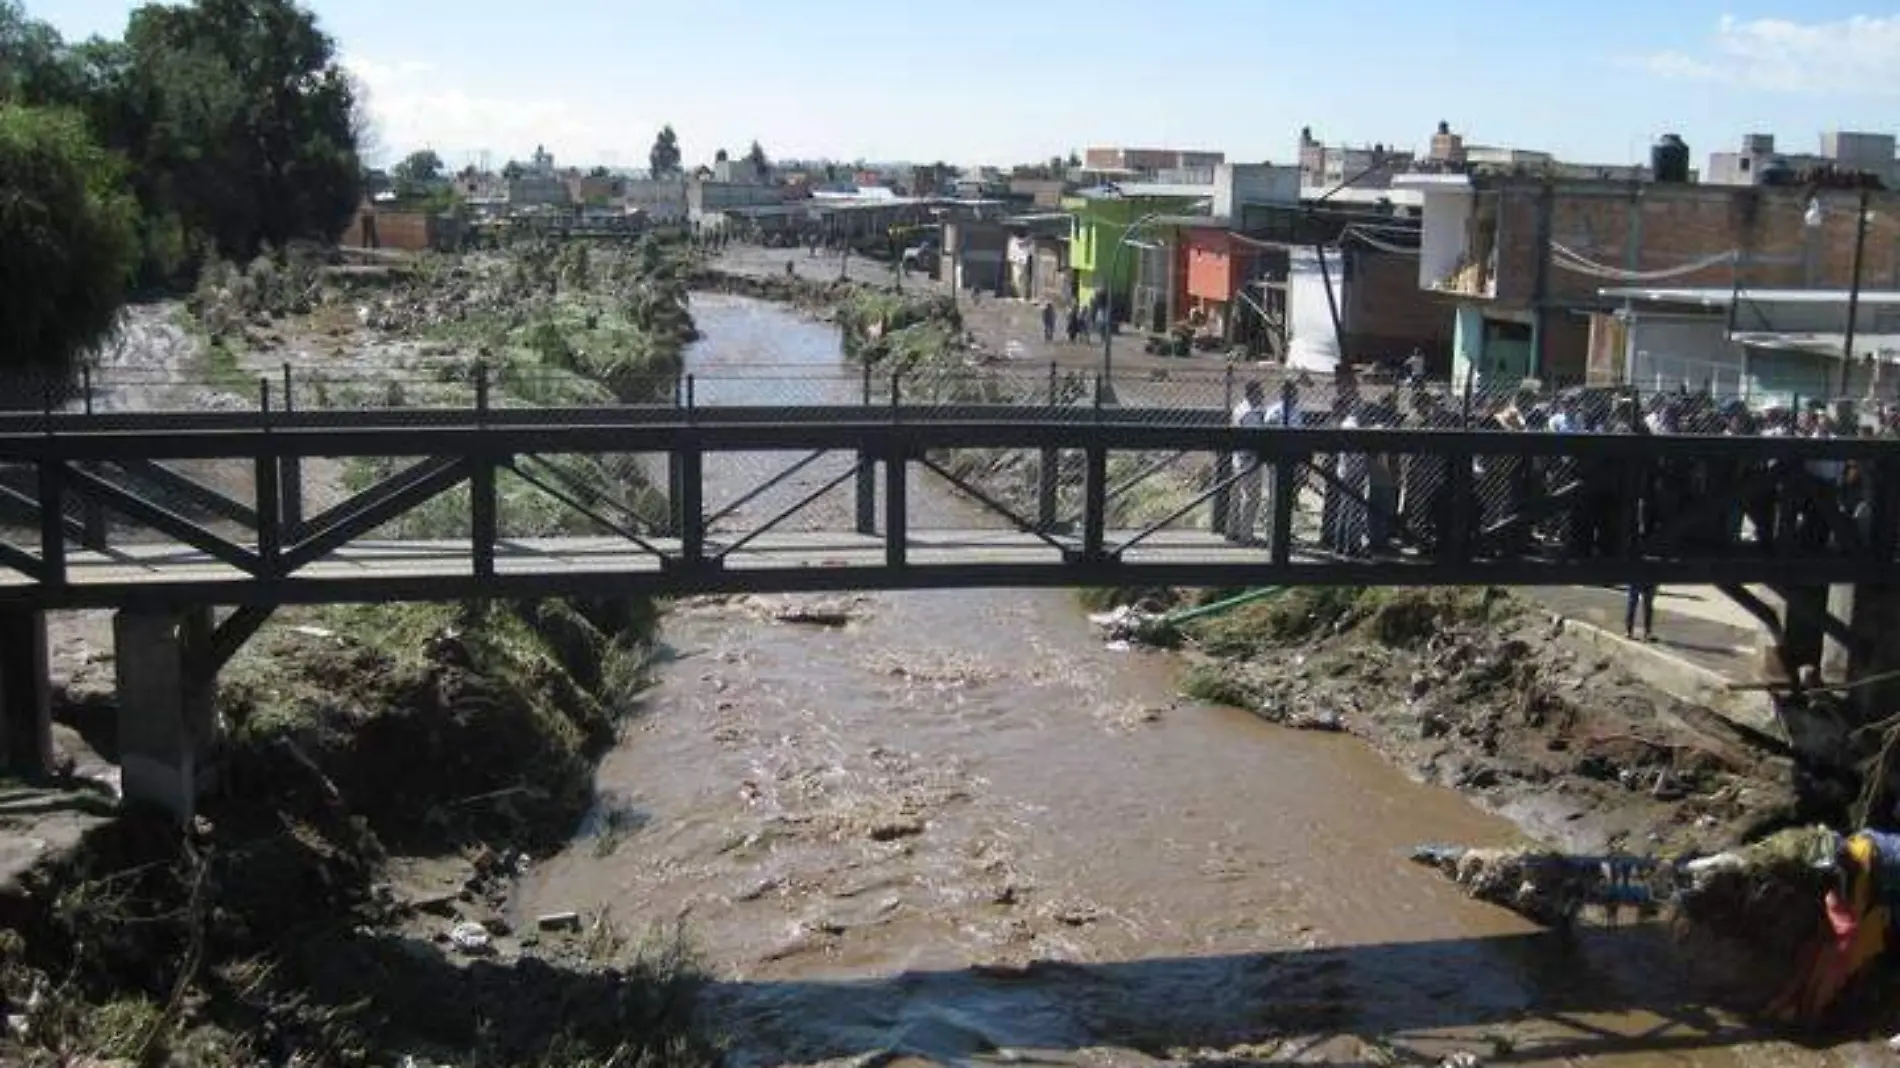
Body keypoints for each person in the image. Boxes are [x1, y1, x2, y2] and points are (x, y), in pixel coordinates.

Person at [1226, 381, 1267, 544]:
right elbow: (1253, 438)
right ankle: (1246, 534)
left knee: (1236, 496)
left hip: (1237, 457)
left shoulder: (1239, 408)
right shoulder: (1250, 414)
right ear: (1251, 394)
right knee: (1251, 498)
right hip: (1249, 458)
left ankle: (1232, 530)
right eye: (1259, 393)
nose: (1262, 397)